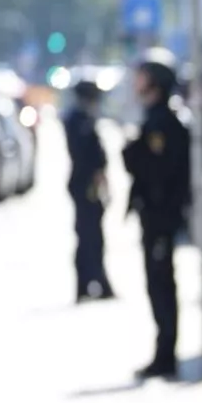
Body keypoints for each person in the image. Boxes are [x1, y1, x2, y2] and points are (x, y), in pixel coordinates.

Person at [122, 53, 191, 380]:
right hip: (155, 216)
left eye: (143, 76)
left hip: (161, 216)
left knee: (161, 284)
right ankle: (163, 354)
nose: (137, 82)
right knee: (156, 283)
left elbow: (158, 171)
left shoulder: (163, 122)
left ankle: (166, 357)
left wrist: (131, 153)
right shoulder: (155, 118)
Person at [62, 81, 115, 303]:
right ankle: (89, 283)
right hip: (84, 185)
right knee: (88, 235)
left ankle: (95, 282)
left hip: (88, 184)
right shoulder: (78, 119)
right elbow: (88, 155)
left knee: (93, 235)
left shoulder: (83, 117)